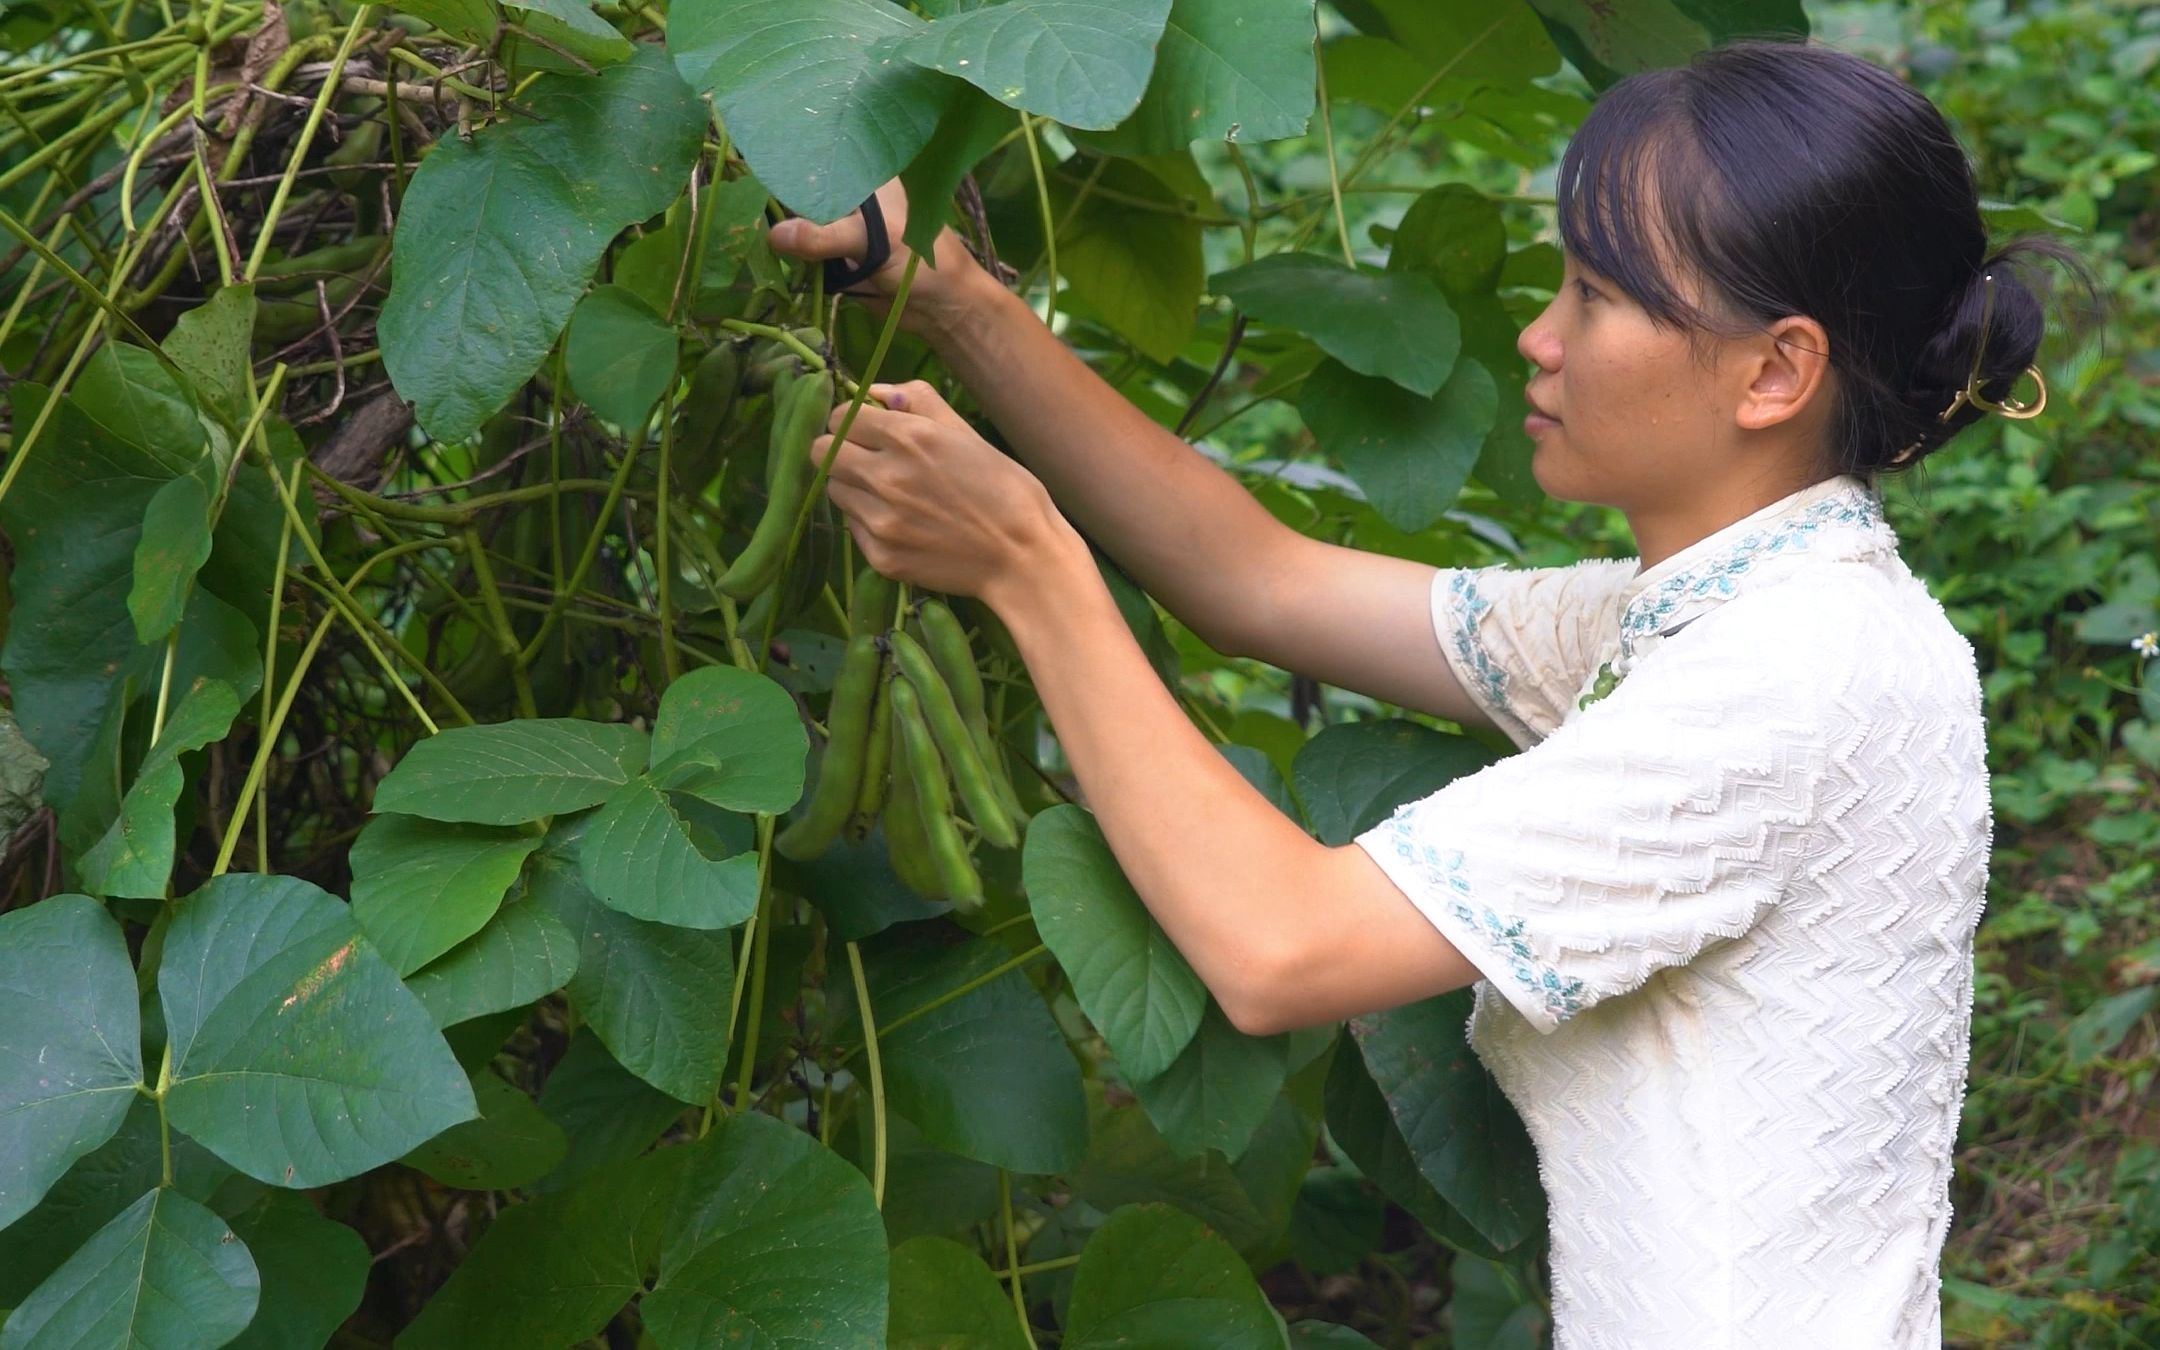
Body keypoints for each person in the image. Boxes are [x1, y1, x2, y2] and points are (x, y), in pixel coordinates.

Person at [768, 37, 2077, 1350]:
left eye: (1595, 294)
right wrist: (957, 300)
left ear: (1774, 372)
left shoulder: (1789, 680)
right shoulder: (1728, 611)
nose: (1538, 337)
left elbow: (1283, 946)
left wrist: (1025, 562)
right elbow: (1260, 580)